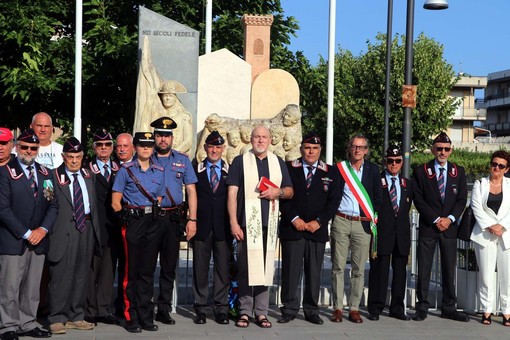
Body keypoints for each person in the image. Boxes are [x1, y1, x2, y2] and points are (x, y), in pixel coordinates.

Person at [227, 125, 293, 329]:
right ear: (251, 139)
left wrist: (278, 192)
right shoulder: (240, 161)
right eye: (257, 137)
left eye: (264, 137)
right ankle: (245, 311)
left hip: (269, 225)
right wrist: (233, 222)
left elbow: (290, 191)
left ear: (270, 139)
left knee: (265, 269)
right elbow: (231, 193)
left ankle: (262, 312)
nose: (260, 140)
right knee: (246, 270)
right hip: (247, 225)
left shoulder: (277, 162)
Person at [0, 129, 58, 340]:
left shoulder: (45, 173)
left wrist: (42, 230)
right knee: (9, 286)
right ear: (17, 147)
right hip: (13, 239)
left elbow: (53, 206)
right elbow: (3, 209)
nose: (29, 151)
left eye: (33, 148)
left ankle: (28, 322)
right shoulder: (5, 172)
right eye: (24, 147)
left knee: (32, 287)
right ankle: (7, 326)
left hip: (38, 240)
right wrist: (26, 233)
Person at [278, 132, 341, 325]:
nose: (311, 151)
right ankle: (289, 308)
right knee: (291, 271)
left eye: (314, 148)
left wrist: (320, 221)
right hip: (293, 228)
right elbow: (283, 196)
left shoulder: (331, 172)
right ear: (301, 149)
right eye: (307, 148)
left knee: (314, 272)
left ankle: (311, 310)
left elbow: (334, 201)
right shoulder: (289, 168)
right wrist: (294, 218)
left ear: (320, 150)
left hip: (317, 230)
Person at [47, 137, 102, 335]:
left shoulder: (88, 175)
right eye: (70, 157)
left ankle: (76, 315)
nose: (74, 161)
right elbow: (47, 205)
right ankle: (57, 318)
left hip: (85, 227)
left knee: (81, 274)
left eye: (78, 157)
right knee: (61, 275)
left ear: (82, 157)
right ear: (63, 157)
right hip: (63, 230)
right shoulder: (53, 176)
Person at [111, 132, 165, 333]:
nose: (146, 149)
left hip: (152, 221)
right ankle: (130, 316)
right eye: (142, 145)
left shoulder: (159, 170)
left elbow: (158, 197)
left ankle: (145, 315)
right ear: (135, 147)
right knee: (131, 272)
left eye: (149, 146)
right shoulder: (126, 170)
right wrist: (123, 215)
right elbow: (115, 200)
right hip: (133, 221)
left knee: (147, 271)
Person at [412, 132, 469, 322]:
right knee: (425, 268)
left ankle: (448, 306)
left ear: (451, 150)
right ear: (432, 149)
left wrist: (450, 219)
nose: (442, 152)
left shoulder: (458, 171)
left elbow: (461, 199)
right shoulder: (421, 170)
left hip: (449, 227)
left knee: (448, 268)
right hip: (430, 226)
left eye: (446, 149)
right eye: (439, 149)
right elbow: (418, 199)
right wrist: (436, 218)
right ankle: (422, 306)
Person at [149, 117, 198, 326]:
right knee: (147, 265)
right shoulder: (146, 158)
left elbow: (191, 190)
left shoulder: (183, 160)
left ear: (172, 138)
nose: (163, 139)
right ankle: (144, 306)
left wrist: (192, 219)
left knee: (169, 267)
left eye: (166, 136)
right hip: (150, 218)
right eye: (160, 135)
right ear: (154, 137)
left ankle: (164, 308)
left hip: (173, 218)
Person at [330, 133, 382, 324]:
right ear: (349, 148)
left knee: (359, 268)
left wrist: (373, 216)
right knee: (338, 266)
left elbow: (378, 197)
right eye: (354, 146)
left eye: (361, 147)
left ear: (366, 151)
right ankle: (337, 307)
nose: (357, 150)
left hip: (363, 223)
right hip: (341, 220)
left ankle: (354, 308)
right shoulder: (339, 169)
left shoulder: (373, 170)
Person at [367, 145, 413, 321]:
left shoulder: (407, 184)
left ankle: (397, 308)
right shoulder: (376, 181)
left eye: (397, 161)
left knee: (400, 273)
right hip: (382, 233)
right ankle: (375, 308)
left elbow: (405, 208)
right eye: (390, 161)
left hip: (400, 235)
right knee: (379, 272)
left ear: (402, 162)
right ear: (385, 161)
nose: (393, 164)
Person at [192, 131, 231, 325]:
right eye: (211, 147)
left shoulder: (230, 171)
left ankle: (221, 308)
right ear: (205, 148)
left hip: (224, 227)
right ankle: (200, 308)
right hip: (202, 226)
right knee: (200, 268)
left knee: (222, 269)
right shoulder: (195, 169)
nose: (214, 150)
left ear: (223, 149)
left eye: (218, 147)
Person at [470, 150, 510, 326]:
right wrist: (490, 225)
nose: (496, 168)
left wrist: (503, 226)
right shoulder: (480, 184)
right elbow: (476, 207)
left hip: (506, 235)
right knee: (486, 276)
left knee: (507, 276)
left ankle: (507, 311)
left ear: (506, 169)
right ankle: (486, 310)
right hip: (484, 235)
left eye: (501, 166)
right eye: (494, 164)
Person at [85, 129, 120, 325]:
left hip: (113, 226)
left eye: (107, 144)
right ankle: (89, 308)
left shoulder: (120, 168)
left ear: (112, 147)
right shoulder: (86, 169)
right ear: (94, 148)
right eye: (100, 145)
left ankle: (103, 308)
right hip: (94, 226)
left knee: (108, 269)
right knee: (92, 269)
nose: (104, 148)